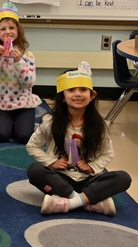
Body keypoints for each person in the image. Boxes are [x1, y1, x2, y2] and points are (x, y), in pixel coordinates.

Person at [25, 62, 131, 217]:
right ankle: (87, 201)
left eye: (83, 90)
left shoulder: (100, 125)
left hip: (89, 180)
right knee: (34, 170)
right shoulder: (50, 122)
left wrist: (91, 166)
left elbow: (107, 153)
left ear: (92, 95)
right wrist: (51, 162)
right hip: (60, 178)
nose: (78, 94)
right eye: (71, 90)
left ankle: (68, 202)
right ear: (62, 97)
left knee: (123, 178)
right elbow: (32, 146)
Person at [0, 2, 40, 144]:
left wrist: (18, 61)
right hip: (1, 101)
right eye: (2, 29)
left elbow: (29, 82)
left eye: (12, 28)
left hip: (23, 102)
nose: (8, 32)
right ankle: (8, 123)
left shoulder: (27, 55)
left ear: (18, 30)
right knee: (0, 136)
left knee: (24, 137)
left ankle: (21, 123)